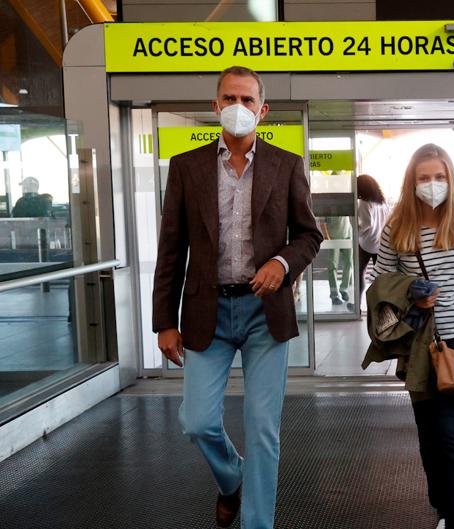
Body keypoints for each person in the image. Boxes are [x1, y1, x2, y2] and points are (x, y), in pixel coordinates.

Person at [152, 66, 322, 529]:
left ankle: (256, 524)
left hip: (266, 314)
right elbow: (172, 248)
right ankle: (232, 480)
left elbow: (309, 235)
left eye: (248, 100)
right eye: (229, 98)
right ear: (215, 106)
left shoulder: (286, 165)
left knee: (264, 430)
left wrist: (282, 264)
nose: (238, 108)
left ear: (263, 111)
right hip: (207, 311)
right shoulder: (186, 168)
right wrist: (165, 320)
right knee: (197, 422)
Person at [371, 143, 454, 529]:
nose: (432, 184)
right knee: (428, 435)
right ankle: (442, 505)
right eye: (424, 178)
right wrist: (409, 291)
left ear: (450, 180)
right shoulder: (396, 229)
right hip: (417, 345)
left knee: (453, 435)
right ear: (411, 182)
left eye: (439, 177)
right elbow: (377, 280)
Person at [357, 174, 390, 297]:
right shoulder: (382, 201)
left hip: (366, 244)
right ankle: (382, 303)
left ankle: (358, 304)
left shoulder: (364, 203)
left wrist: (356, 229)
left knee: (360, 273)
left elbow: (366, 225)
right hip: (381, 244)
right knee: (381, 276)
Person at [324, 216, 353, 305]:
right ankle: (334, 294)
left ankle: (344, 289)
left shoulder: (346, 202)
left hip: (347, 234)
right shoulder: (327, 204)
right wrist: (326, 235)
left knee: (349, 263)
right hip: (333, 236)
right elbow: (323, 221)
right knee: (332, 266)